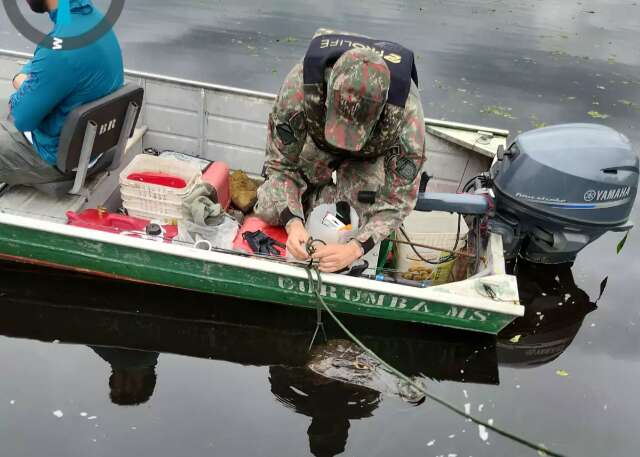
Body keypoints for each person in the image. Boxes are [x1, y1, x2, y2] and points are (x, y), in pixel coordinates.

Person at [254, 29, 426, 273]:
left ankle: (327, 207)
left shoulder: (407, 119)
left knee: (357, 223)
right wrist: (293, 223)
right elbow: (280, 165)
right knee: (272, 209)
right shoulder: (299, 89)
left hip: (371, 153)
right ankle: (312, 203)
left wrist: (354, 248)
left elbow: (397, 201)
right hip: (317, 140)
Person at [0, 0, 124, 186]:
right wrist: (30, 78)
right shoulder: (92, 20)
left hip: (59, 161)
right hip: (96, 147)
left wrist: (20, 80)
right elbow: (48, 61)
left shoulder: (60, 50)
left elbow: (20, 118)